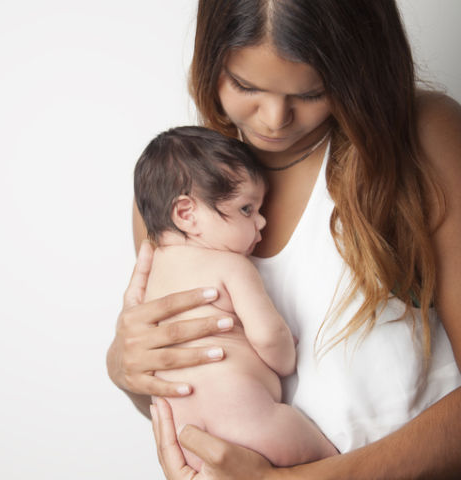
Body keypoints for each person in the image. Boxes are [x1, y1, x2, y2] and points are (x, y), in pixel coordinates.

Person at [107, 0, 461, 478]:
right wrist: (127, 369)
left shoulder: (420, 140)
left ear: (359, 69)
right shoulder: (177, 192)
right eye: (246, 85)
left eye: (313, 92)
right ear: (211, 59)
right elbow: (199, 391)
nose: (274, 119)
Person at [134, 126, 337, 471]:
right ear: (186, 213)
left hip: (189, 447)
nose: (261, 221)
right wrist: (286, 353)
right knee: (332, 462)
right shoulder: (231, 265)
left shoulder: (150, 273)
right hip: (256, 426)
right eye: (246, 209)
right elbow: (269, 337)